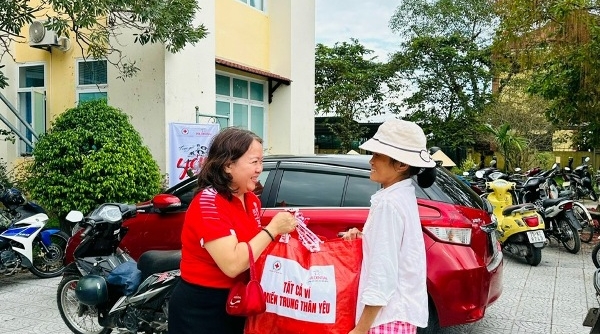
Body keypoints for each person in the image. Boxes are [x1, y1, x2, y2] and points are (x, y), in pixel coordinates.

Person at [168, 127, 297, 334]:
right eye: (254, 162)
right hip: (203, 308)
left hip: (239, 301)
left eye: (261, 162)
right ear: (228, 165)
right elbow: (233, 264)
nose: (259, 169)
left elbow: (254, 247)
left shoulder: (251, 200)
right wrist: (272, 229)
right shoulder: (209, 203)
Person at [343, 119, 437, 334]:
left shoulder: (389, 203)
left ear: (401, 165)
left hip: (385, 319)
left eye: (377, 155)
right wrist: (364, 237)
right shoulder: (401, 195)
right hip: (398, 316)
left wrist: (360, 329)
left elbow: (382, 273)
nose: (371, 161)